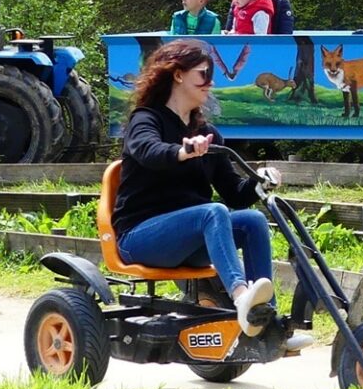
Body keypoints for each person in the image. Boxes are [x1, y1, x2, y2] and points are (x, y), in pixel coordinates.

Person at [113, 39, 311, 349]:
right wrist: (182, 151)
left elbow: (234, 194)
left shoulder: (207, 134)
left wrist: (259, 183)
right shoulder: (146, 119)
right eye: (204, 74)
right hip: (140, 237)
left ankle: (266, 321)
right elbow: (148, 151)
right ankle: (242, 298)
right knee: (213, 212)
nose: (211, 82)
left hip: (189, 241)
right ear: (178, 75)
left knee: (253, 221)